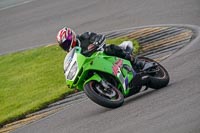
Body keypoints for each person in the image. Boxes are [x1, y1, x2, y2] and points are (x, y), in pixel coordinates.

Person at [56, 27, 144, 69]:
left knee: (109, 49)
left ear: (72, 38)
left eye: (66, 43)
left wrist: (95, 43)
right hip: (96, 64)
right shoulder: (72, 55)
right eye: (63, 45)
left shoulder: (85, 36)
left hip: (103, 53)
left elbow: (100, 37)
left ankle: (135, 61)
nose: (66, 46)